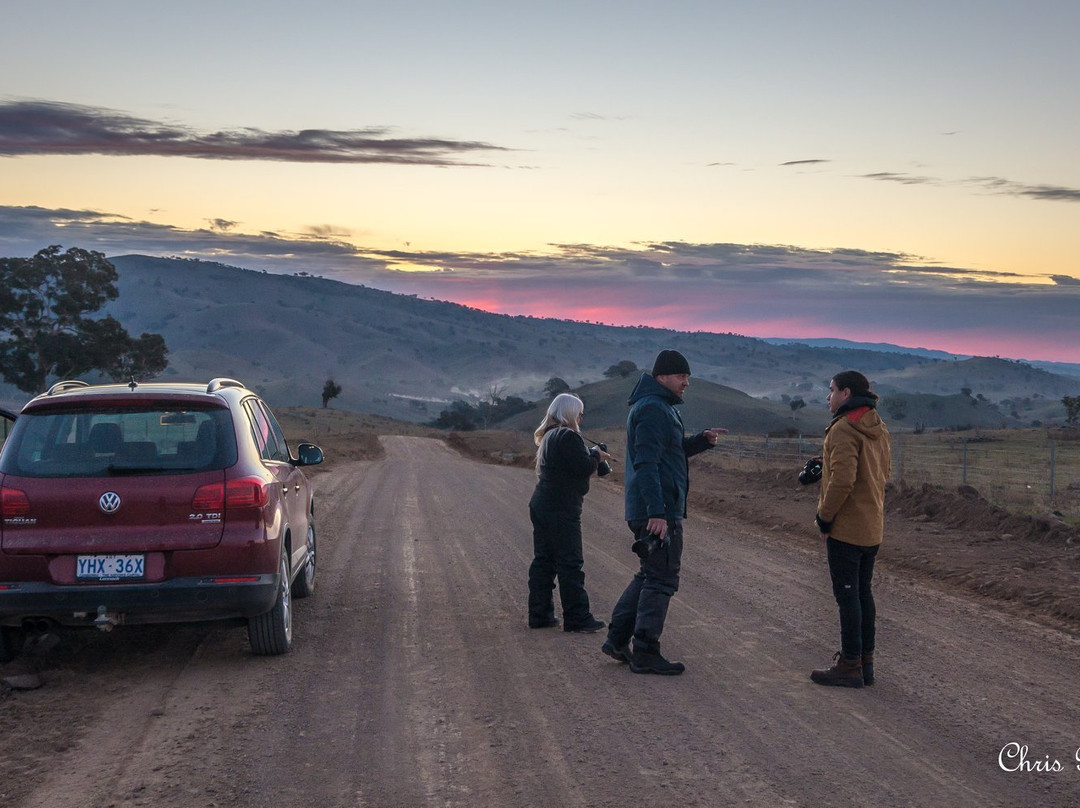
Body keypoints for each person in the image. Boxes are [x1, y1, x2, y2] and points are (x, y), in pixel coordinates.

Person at [602, 350, 726, 675]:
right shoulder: (654, 409)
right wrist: (657, 512)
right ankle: (645, 651)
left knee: (649, 574)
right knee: (661, 579)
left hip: (652, 507)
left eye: (687, 377)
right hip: (657, 510)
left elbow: (669, 452)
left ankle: (617, 640)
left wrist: (701, 441)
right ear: (662, 377)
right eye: (681, 376)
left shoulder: (658, 407)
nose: (686, 383)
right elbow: (647, 463)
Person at [810, 370, 891, 688]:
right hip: (872, 526)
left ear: (845, 393)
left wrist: (824, 517)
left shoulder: (844, 428)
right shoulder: (877, 426)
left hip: (847, 528)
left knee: (847, 597)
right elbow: (882, 471)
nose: (828, 396)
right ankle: (865, 662)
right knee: (862, 593)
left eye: (831, 390)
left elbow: (843, 481)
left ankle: (849, 665)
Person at [528, 393, 611, 632]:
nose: (581, 418)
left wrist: (591, 454)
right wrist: (595, 455)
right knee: (570, 562)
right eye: (580, 414)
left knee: (544, 561)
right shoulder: (568, 436)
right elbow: (583, 467)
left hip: (542, 504)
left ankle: (539, 615)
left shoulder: (549, 436)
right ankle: (577, 617)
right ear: (571, 413)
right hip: (562, 508)